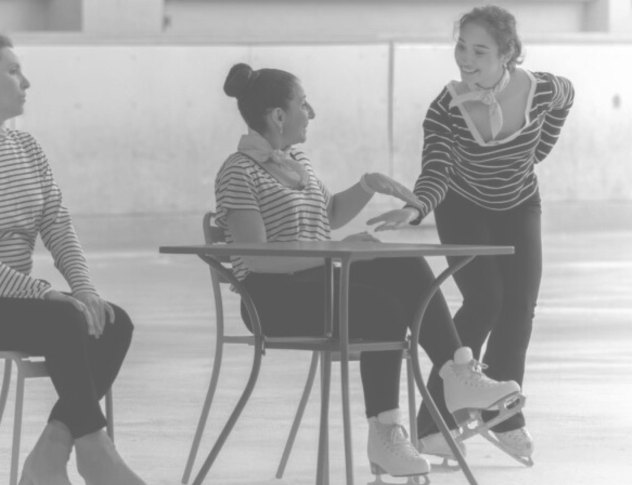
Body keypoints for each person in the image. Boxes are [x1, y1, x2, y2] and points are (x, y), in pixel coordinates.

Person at [216, 62, 523, 480]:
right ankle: (386, 432)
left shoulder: (295, 161)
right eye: (303, 104)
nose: (311, 112)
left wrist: (367, 185)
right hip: (270, 300)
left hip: (318, 284)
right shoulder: (238, 171)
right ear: (278, 116)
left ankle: (456, 373)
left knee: (404, 264)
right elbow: (257, 259)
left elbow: (329, 214)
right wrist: (337, 250)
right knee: (381, 308)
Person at [0, 30, 146, 485]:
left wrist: (83, 289)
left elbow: (57, 223)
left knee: (112, 322)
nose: (26, 82)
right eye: (14, 71)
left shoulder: (26, 148)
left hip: (13, 299)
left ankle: (52, 452)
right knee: (63, 319)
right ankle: (96, 453)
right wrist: (45, 294)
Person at [368, 5, 574, 465]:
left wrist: (538, 149)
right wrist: (416, 207)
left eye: (480, 51)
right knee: (485, 301)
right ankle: (431, 425)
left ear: (507, 53)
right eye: (462, 47)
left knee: (519, 307)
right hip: (463, 206)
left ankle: (504, 415)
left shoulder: (541, 89)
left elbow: (567, 97)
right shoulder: (446, 108)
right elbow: (437, 170)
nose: (466, 58)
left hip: (520, 204)